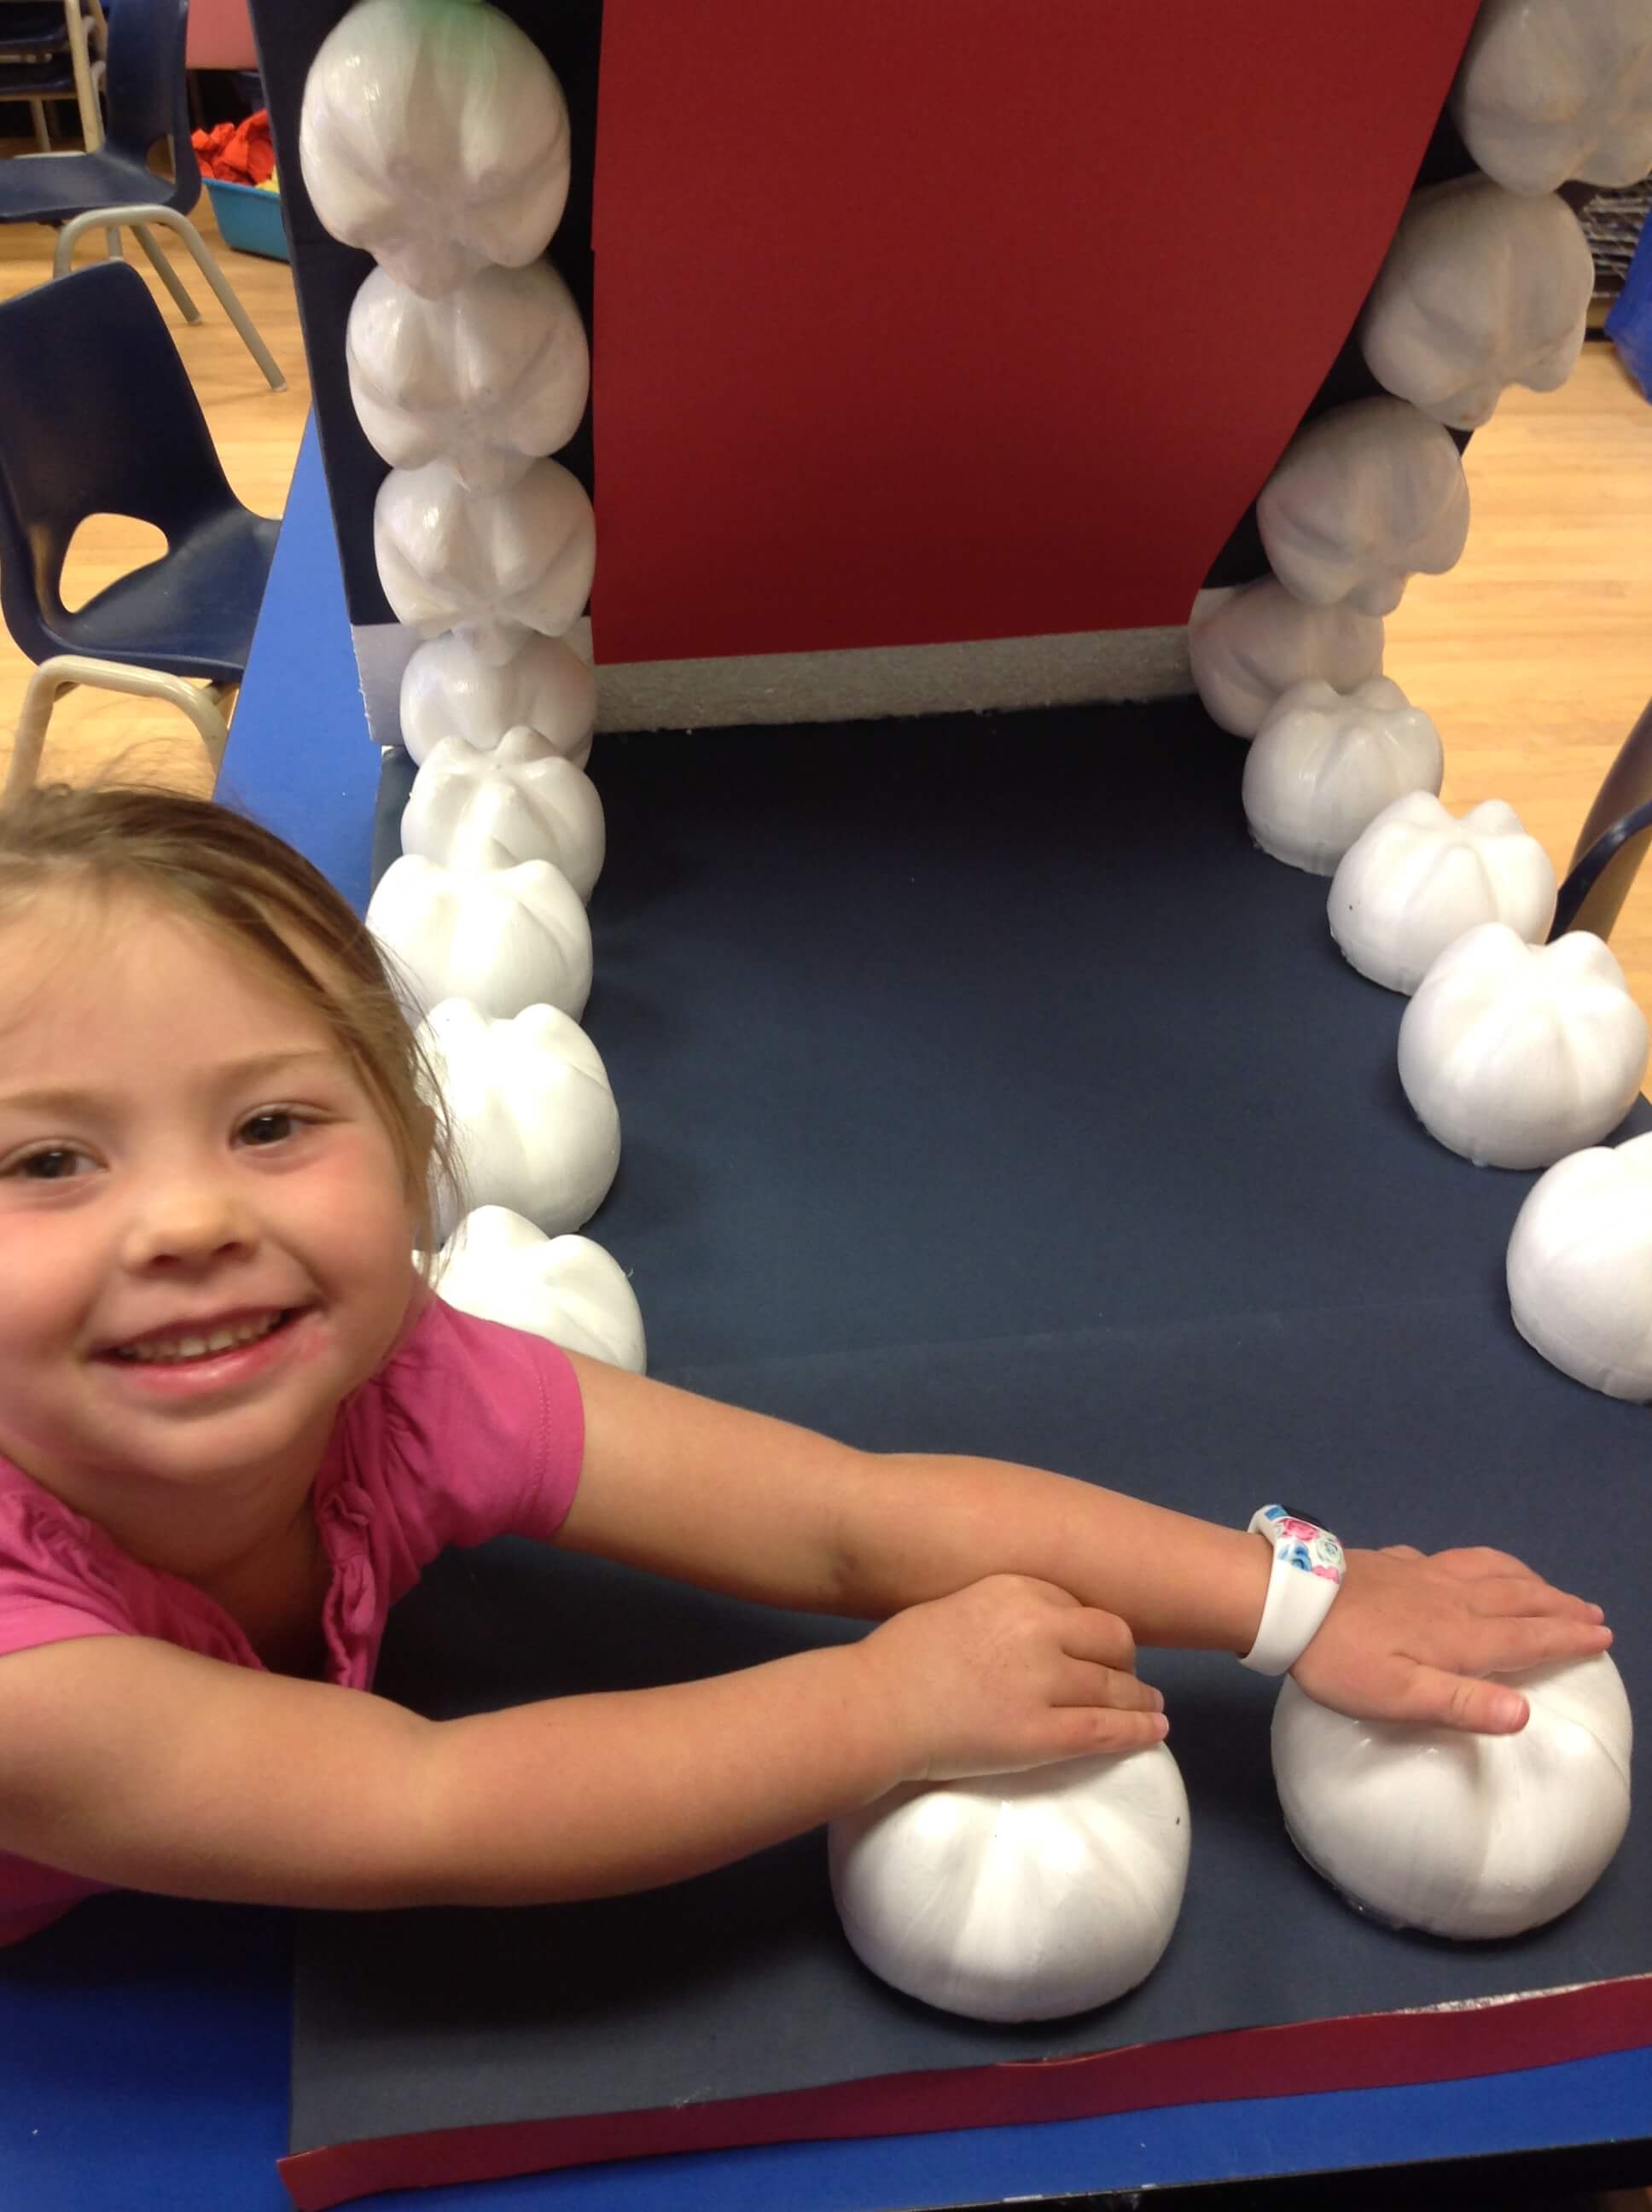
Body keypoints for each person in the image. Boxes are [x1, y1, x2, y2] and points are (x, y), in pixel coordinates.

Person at [0, 779, 1611, 1947]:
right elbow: (429, 1805)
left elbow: (839, 1517)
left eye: (273, 1124)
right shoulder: (26, 1685)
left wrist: (1299, 1600)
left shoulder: (397, 1382)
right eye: (47, 1165)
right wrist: (878, 1708)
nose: (190, 1219)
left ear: (408, 1143)